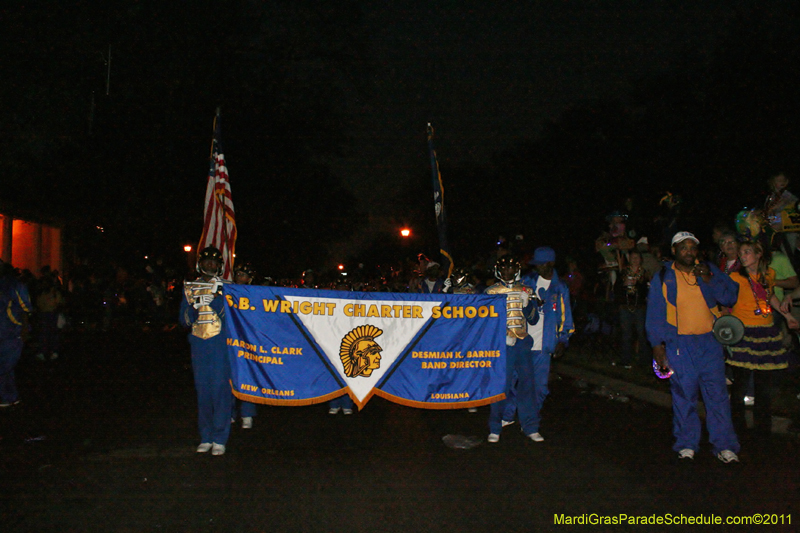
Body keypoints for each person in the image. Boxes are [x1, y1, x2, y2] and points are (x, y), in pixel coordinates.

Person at [646, 231, 740, 463]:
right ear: (674, 250)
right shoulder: (663, 276)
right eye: (683, 247)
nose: (689, 252)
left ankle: (725, 446)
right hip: (680, 344)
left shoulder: (708, 270)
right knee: (683, 396)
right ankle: (687, 443)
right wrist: (657, 345)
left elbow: (729, 297)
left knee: (717, 396)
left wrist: (709, 278)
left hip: (710, 342)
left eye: (692, 247)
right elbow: (655, 313)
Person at [727, 240, 798, 435]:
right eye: (741, 252)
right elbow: (725, 300)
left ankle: (763, 429)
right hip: (743, 333)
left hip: (765, 332)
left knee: (763, 386)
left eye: (747, 252)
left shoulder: (769, 275)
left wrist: (788, 317)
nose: (743, 256)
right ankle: (737, 426)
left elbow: (770, 297)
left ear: (758, 255)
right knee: (740, 384)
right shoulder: (735, 277)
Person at [507, 247, 574, 442]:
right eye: (535, 264)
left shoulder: (560, 288)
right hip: (521, 343)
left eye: (541, 264)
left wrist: (563, 340)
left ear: (550, 264)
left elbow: (566, 318)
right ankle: (507, 415)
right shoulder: (526, 282)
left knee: (539, 388)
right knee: (510, 381)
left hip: (543, 346)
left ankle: (530, 425)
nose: (537, 268)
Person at [179, 247, 231, 456]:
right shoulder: (190, 287)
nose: (210, 265)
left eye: (214, 262)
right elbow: (183, 320)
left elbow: (235, 318)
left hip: (220, 345)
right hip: (199, 345)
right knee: (203, 393)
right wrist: (194, 307)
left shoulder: (228, 287)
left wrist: (217, 298)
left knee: (220, 392)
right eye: (207, 261)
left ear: (219, 266)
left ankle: (220, 438)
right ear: (200, 264)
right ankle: (206, 436)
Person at [485, 256, 534, 443]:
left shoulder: (526, 290)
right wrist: (500, 336)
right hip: (503, 344)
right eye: (504, 269)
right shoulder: (491, 292)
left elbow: (534, 319)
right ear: (498, 271)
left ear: (517, 270)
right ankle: (495, 427)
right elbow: (485, 321)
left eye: (511, 268)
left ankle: (530, 426)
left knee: (526, 386)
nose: (508, 272)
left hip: (522, 343)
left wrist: (528, 305)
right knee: (500, 387)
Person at [232, 262, 259, 429]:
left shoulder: (254, 294)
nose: (239, 277)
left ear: (249, 279)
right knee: (230, 377)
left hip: (248, 340)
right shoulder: (229, 291)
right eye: (237, 274)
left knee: (248, 377)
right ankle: (229, 413)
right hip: (231, 339)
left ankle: (247, 414)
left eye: (243, 275)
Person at [0, 262, 32, 408]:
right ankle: (10, 396)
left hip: (12, 332)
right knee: (7, 367)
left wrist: (23, 329)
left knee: (4, 365)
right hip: (4, 331)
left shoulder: (15, 285)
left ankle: (7, 397)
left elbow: (26, 309)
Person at [614, 249, 649, 368]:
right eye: (632, 257)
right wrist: (624, 284)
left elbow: (646, 291)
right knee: (626, 334)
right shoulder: (623, 272)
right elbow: (616, 289)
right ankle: (626, 359)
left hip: (639, 307)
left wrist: (637, 284)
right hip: (625, 307)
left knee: (641, 333)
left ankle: (643, 360)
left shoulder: (645, 274)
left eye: (637, 257)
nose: (634, 260)